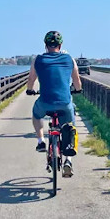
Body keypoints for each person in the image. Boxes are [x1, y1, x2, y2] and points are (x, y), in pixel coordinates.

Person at [28, 30, 83, 177]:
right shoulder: (69, 59)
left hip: (45, 102)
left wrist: (29, 90)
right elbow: (77, 81)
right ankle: (68, 160)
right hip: (64, 103)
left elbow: (31, 80)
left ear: (45, 45)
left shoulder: (38, 60)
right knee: (70, 126)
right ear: (61, 45)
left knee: (36, 114)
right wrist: (78, 90)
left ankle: (40, 141)